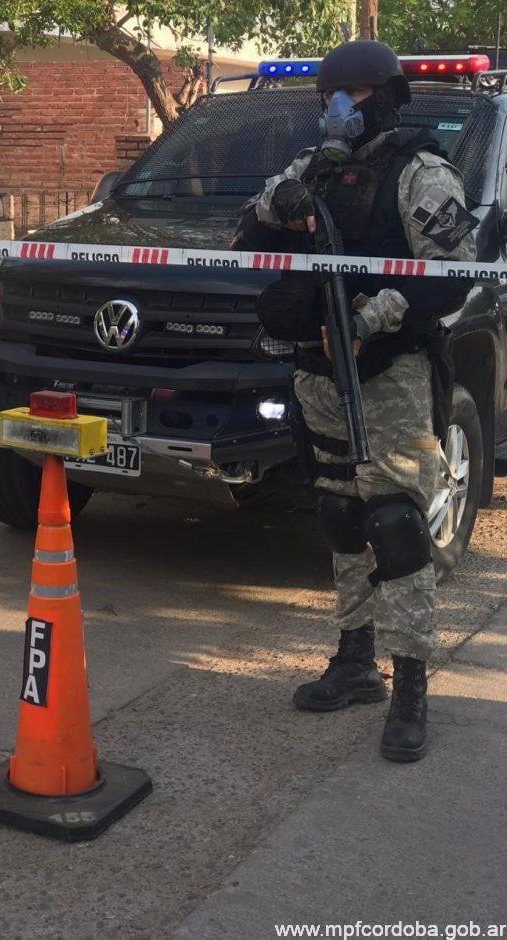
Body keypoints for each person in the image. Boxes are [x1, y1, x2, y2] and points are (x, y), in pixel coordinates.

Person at [235, 40, 477, 762]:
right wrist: (277, 206)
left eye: (350, 94)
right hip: (317, 370)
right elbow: (246, 238)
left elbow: (453, 274)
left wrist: (378, 314)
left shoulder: (422, 174)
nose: (334, 108)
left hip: (388, 371)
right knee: (340, 512)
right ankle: (353, 660)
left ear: (385, 96)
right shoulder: (308, 169)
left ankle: (408, 685)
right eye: (326, 95)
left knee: (395, 521)